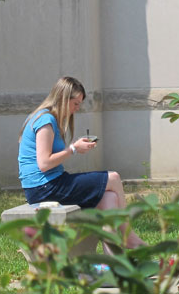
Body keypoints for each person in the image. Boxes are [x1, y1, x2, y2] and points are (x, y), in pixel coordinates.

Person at [18, 76, 144, 248]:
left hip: (49, 185)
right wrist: (73, 149)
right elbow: (44, 163)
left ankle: (114, 259)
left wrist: (75, 147)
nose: (77, 109)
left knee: (109, 197)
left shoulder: (46, 118)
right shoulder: (45, 120)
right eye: (75, 103)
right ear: (63, 98)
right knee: (113, 178)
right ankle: (130, 238)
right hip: (44, 189)